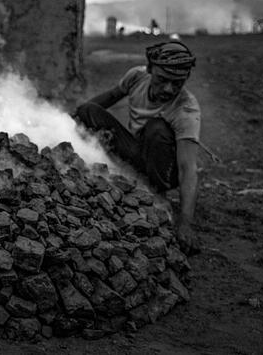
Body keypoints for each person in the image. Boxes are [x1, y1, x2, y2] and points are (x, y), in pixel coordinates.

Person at [73, 40, 202, 254]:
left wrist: (186, 223)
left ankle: (157, 193)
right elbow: (109, 98)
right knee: (88, 110)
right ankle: (130, 179)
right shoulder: (136, 77)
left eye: (177, 83)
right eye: (162, 80)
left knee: (157, 129)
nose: (169, 89)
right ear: (150, 70)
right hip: (138, 153)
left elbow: (188, 169)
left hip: (165, 170)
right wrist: (70, 117)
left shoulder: (186, 109)